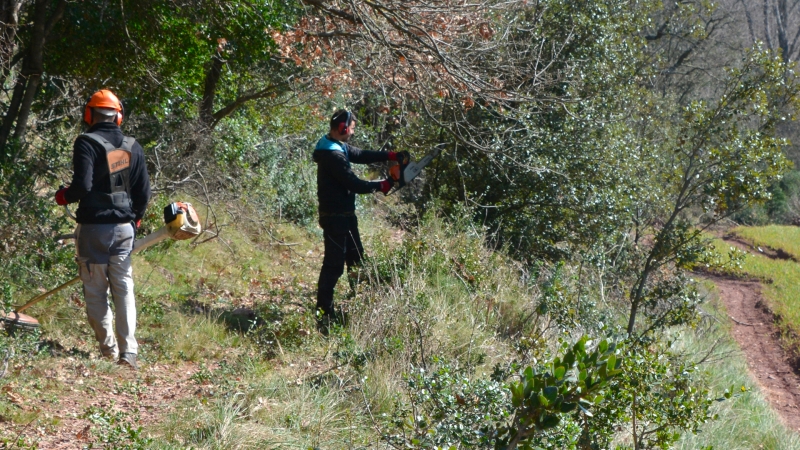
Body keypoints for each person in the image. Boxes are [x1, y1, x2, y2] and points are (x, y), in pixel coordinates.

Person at [55, 89, 151, 370]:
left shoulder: (86, 142)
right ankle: (129, 352)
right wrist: (136, 220)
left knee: (96, 290)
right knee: (123, 289)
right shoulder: (132, 146)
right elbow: (143, 192)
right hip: (123, 229)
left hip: (94, 231)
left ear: (89, 114)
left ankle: (108, 351)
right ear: (118, 115)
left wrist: (63, 196)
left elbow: (82, 187)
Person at [313, 110, 409, 331]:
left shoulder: (335, 145)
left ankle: (359, 310)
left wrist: (390, 155)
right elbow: (353, 183)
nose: (353, 132)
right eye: (352, 128)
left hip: (346, 216)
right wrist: (382, 185)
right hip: (335, 218)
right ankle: (324, 317)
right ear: (343, 128)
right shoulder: (332, 155)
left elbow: (360, 154)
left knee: (357, 262)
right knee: (333, 267)